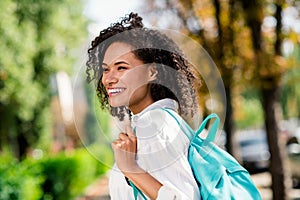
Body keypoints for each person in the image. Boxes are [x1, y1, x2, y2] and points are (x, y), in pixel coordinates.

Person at [86, 12, 202, 199]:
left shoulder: (157, 124)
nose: (109, 78)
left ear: (152, 72)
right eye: (106, 69)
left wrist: (131, 169)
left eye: (121, 67)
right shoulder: (150, 124)